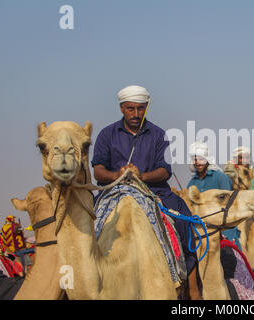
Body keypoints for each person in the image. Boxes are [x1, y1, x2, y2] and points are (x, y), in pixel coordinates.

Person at [91, 85, 201, 299]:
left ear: (146, 108)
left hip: (154, 191)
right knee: (87, 223)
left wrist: (141, 176)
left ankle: (192, 285)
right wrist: (117, 175)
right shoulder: (107, 134)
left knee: (183, 219)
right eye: (130, 109)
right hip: (115, 191)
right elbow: (97, 170)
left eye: (140, 109)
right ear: (122, 108)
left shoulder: (158, 134)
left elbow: (164, 170)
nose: (136, 114)